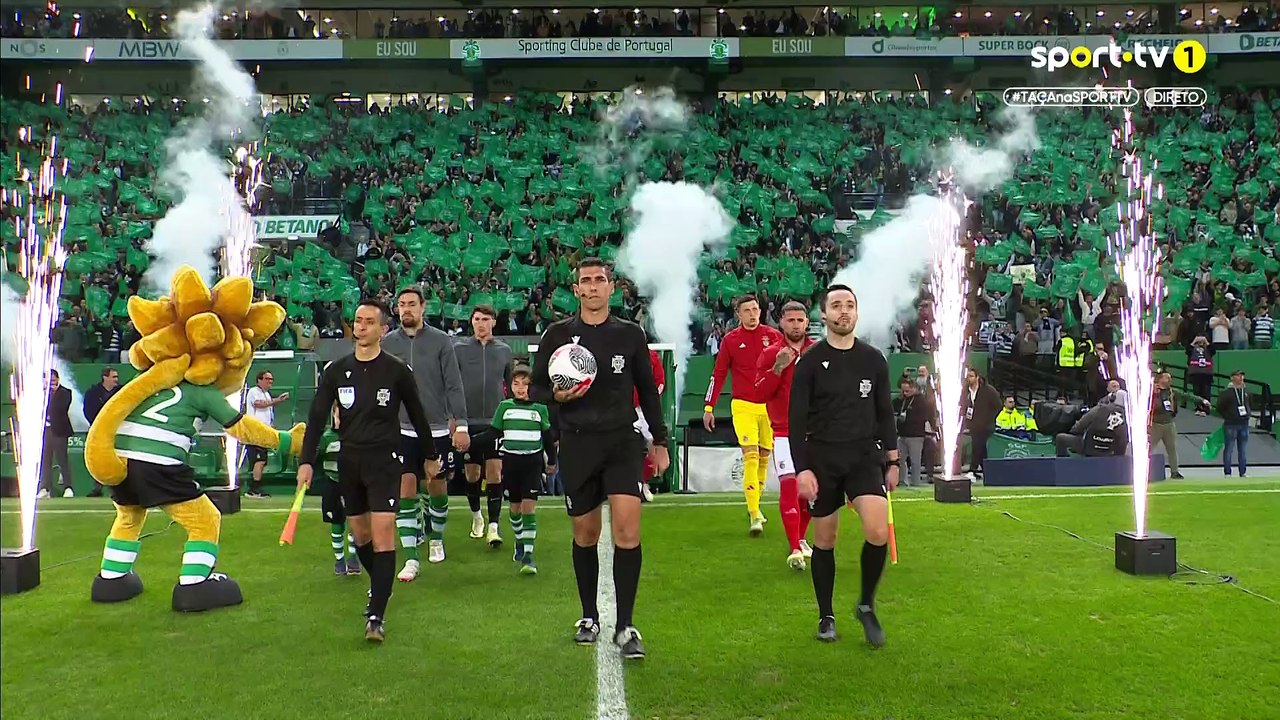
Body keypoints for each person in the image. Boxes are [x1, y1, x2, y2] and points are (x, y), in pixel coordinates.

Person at [530, 257, 669, 660]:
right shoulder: (558, 334)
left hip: (622, 442)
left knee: (628, 531)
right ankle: (589, 615)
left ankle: (626, 625)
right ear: (576, 290)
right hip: (577, 443)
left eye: (600, 280)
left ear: (612, 288)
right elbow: (536, 388)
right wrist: (556, 396)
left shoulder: (630, 335)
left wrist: (658, 440)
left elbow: (647, 388)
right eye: (585, 281)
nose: (593, 286)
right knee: (585, 535)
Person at [298, 300, 439, 643]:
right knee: (360, 536)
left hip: (384, 459)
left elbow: (418, 415)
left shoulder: (396, 370)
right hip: (350, 460)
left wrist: (430, 456)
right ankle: (382, 584)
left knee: (383, 532)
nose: (359, 327)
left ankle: (376, 616)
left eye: (367, 322)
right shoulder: (336, 370)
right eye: (357, 321)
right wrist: (306, 460)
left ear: (382, 330)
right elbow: (316, 418)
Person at [790, 284, 898, 646]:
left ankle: (866, 605)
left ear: (857, 312)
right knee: (825, 539)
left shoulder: (873, 360)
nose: (844, 311)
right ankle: (826, 615)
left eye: (850, 305)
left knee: (878, 530)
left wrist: (894, 459)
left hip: (864, 457)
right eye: (836, 305)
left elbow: (885, 413)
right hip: (822, 459)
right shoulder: (809, 363)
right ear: (824, 315)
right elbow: (796, 422)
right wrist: (802, 469)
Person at [383, 286, 469, 577]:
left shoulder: (441, 341)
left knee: (436, 484)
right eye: (401, 304)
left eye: (411, 304)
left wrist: (462, 424)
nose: (405, 309)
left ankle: (436, 539)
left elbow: (454, 384)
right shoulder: (387, 343)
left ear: (423, 307)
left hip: (436, 429)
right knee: (406, 485)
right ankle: (410, 557)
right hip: (401, 428)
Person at [702, 294, 784, 535]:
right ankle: (754, 514)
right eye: (747, 310)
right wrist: (709, 407)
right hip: (743, 405)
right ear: (738, 314)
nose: (752, 314)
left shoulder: (774, 336)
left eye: (755, 309)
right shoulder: (731, 340)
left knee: (764, 457)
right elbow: (718, 374)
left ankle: (754, 505)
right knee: (750, 455)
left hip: (769, 406)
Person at [753, 301, 815, 570]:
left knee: (810, 493)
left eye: (800, 320)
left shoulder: (819, 353)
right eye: (791, 320)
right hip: (784, 433)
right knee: (790, 486)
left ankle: (801, 538)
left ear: (807, 323)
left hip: (816, 433)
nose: (796, 325)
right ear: (781, 322)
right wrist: (778, 368)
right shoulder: (770, 354)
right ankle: (794, 548)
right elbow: (758, 394)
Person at [454, 304, 515, 546]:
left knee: (494, 472)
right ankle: (477, 517)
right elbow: (452, 385)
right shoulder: (458, 349)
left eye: (486, 319)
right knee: (472, 474)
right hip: (467, 422)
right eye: (477, 319)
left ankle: (493, 526)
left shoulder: (504, 350)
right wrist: (454, 420)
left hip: (495, 421)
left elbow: (511, 386)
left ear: (493, 322)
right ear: (471, 322)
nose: (481, 323)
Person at [491, 366, 557, 575]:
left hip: (532, 463)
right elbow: (493, 433)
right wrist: (470, 445)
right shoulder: (504, 407)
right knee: (515, 508)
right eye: (516, 384)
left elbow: (547, 437)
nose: (521, 389)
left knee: (529, 508)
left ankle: (528, 556)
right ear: (510, 387)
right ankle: (520, 540)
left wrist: (552, 461)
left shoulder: (540, 409)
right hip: (511, 464)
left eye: (525, 384)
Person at [317, 405, 360, 576]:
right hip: (332, 484)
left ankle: (353, 558)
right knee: (337, 523)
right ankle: (339, 560)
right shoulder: (327, 438)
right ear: (333, 416)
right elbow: (315, 456)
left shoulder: (357, 436)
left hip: (353, 485)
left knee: (355, 522)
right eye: (338, 414)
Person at [1149, 371, 1207, 480]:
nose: (1170, 380)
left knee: (1172, 449)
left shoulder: (1171, 392)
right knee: (1149, 448)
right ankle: (1144, 470)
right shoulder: (1152, 391)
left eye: (1170, 378)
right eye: (1167, 378)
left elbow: (1186, 396)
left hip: (1169, 423)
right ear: (1160, 379)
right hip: (1155, 424)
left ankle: (1174, 471)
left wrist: (1201, 400)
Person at [242, 371, 288, 498]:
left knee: (262, 460)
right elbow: (258, 404)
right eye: (267, 379)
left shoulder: (266, 394)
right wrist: (277, 400)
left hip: (264, 432)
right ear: (259, 380)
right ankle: (254, 489)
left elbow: (267, 412)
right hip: (255, 432)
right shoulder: (253, 392)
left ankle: (256, 487)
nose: (270, 382)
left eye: (271, 379)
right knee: (259, 460)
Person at [83, 367, 121, 497]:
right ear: (105, 377)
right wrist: (98, 424)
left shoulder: (121, 391)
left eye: (116, 377)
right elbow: (87, 410)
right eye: (113, 377)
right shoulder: (93, 393)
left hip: (118, 428)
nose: (116, 379)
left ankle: (117, 489)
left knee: (117, 458)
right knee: (99, 458)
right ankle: (97, 488)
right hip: (98, 429)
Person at [634, 347, 665, 502]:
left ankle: (644, 482)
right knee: (631, 448)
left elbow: (660, 382)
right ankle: (637, 484)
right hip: (626, 409)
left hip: (646, 409)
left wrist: (650, 399)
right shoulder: (622, 353)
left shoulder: (652, 357)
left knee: (652, 448)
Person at [958, 367, 1000, 478]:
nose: (969, 379)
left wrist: (988, 418)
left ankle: (972, 470)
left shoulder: (988, 390)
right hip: (973, 425)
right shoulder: (966, 390)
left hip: (985, 425)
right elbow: (962, 405)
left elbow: (998, 405)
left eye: (971, 376)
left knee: (977, 445)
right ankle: (988, 472)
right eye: (968, 377)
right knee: (981, 448)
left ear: (977, 377)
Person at [893, 377, 936, 487]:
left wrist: (907, 419)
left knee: (915, 461)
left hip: (916, 435)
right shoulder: (901, 400)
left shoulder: (920, 400)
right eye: (903, 390)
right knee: (900, 460)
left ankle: (915, 482)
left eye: (907, 390)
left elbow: (922, 417)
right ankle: (902, 481)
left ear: (913, 388)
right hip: (902, 435)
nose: (904, 393)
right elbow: (894, 407)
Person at [1054, 396, 1128, 458]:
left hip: (1089, 448)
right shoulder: (1128, 416)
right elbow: (1124, 440)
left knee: (1060, 438)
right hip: (1110, 453)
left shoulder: (1098, 409)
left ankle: (1062, 465)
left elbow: (1077, 428)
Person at [40, 369, 75, 498]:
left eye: (54, 378)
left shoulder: (65, 393)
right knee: (45, 460)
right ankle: (45, 488)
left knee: (62, 459)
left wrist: (51, 394)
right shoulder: (42, 394)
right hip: (46, 430)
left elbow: (60, 409)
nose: (52, 380)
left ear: (58, 379)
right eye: (49, 378)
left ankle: (68, 487)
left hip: (59, 430)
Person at [1216, 370, 1251, 477]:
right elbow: (1220, 407)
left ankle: (1243, 471)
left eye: (1242, 376)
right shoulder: (1226, 393)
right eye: (1238, 376)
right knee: (1229, 448)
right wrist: (1228, 416)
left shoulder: (1246, 391)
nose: (1241, 378)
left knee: (1243, 449)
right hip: (1231, 424)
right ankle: (1227, 472)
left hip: (1244, 423)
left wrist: (1247, 414)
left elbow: (1250, 404)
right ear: (1232, 378)